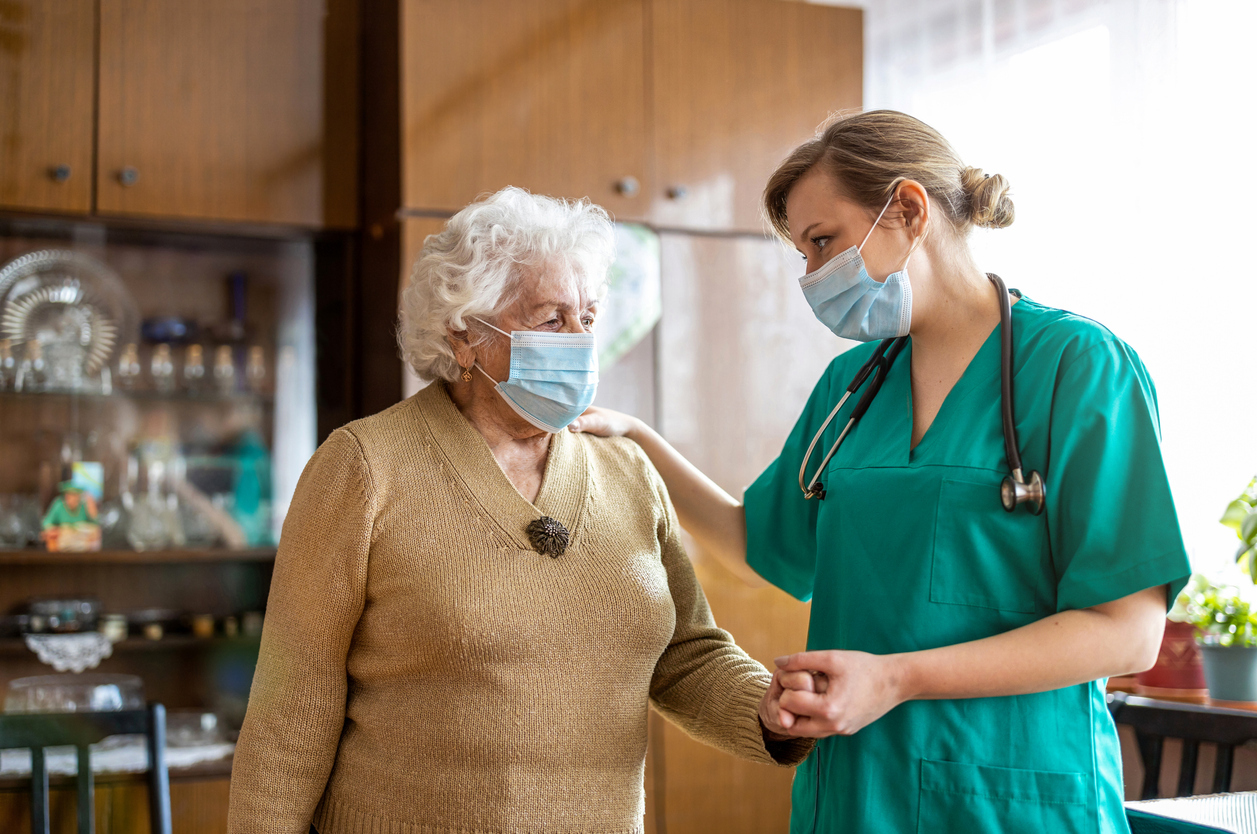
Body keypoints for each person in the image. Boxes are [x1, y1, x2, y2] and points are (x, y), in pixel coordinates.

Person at [572, 110, 1190, 833]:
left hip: (1011, 794)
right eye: (802, 254)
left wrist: (896, 680)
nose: (810, 277)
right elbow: (758, 543)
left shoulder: (1076, 368)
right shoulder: (850, 389)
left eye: (822, 242)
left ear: (906, 208)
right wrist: (640, 440)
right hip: (858, 790)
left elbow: (1125, 633)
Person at [227, 187, 811, 834]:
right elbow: (291, 707)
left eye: (587, 317)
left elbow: (686, 656)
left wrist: (767, 709)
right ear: (464, 333)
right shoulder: (364, 466)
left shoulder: (625, 470)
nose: (579, 340)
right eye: (551, 319)